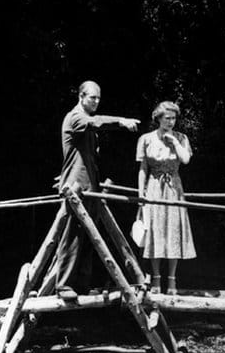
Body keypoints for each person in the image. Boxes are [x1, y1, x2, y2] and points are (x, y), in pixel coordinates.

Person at [44, 80, 140, 295]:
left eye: (98, 98)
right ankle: (64, 285)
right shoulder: (75, 117)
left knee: (89, 234)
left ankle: (81, 284)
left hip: (90, 185)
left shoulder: (85, 122)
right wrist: (121, 122)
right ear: (81, 97)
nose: (96, 101)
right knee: (72, 235)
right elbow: (97, 122)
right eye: (92, 98)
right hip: (76, 187)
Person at [136, 101, 195, 295]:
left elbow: (186, 160)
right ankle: (155, 278)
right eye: (167, 118)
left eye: (174, 118)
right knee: (155, 232)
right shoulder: (146, 139)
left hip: (174, 189)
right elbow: (143, 168)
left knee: (173, 231)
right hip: (153, 187)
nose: (171, 122)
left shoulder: (181, 137)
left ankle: (172, 280)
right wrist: (140, 193)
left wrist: (175, 142)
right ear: (158, 119)